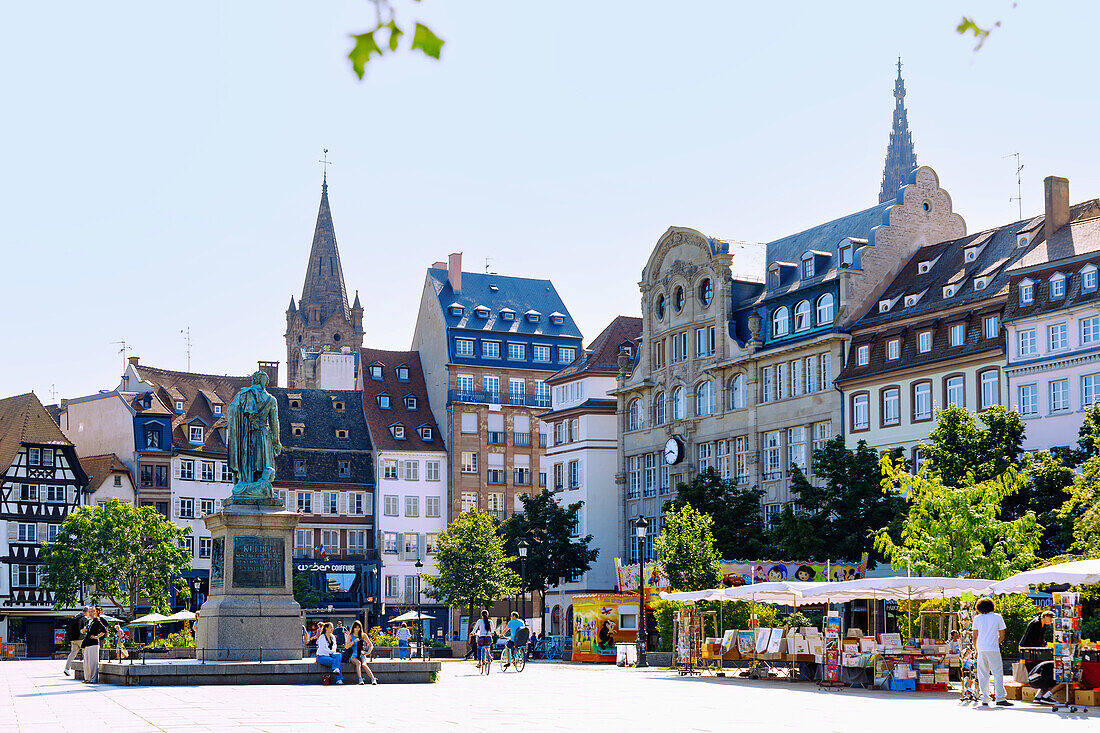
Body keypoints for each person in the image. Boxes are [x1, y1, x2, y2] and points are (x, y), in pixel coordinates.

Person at [971, 597, 1012, 707]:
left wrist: (977, 648)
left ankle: (985, 698)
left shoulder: (977, 618)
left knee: (983, 674)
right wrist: (995, 642)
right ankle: (1000, 698)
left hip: (981, 649)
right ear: (992, 606)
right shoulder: (997, 617)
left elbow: (974, 636)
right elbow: (1002, 635)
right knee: (997, 673)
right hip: (993, 648)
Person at [344, 621, 377, 685]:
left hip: (361, 653)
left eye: (358, 628)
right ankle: (360, 679)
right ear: (353, 628)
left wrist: (368, 652)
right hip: (353, 653)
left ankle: (373, 678)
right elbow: (347, 647)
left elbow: (371, 645)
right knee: (358, 663)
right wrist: (353, 641)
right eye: (355, 628)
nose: (357, 629)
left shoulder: (363, 635)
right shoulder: (350, 635)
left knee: (364, 664)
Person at [81, 606, 108, 684]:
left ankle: (93, 679)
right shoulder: (88, 621)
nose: (90, 613)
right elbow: (84, 630)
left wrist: (97, 636)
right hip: (87, 643)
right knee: (86, 661)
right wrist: (83, 630)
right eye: (89, 611)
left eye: (92, 611)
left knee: (93, 662)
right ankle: (87, 678)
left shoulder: (97, 621)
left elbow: (104, 630)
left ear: (95, 612)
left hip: (94, 643)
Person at [62, 611, 86, 676]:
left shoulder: (74, 618)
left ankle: (66, 669)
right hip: (81, 638)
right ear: (86, 612)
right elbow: (84, 629)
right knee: (86, 654)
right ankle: (87, 670)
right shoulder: (84, 618)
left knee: (72, 654)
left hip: (73, 639)